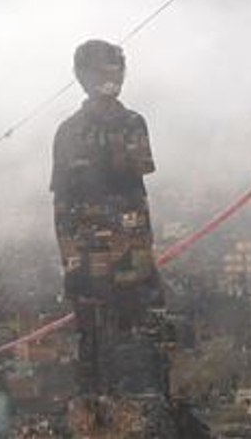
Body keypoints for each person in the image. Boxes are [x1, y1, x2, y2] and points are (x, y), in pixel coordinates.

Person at [51, 39, 171, 432]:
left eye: (117, 70)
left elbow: (133, 172)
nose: (112, 78)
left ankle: (126, 414)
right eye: (105, 70)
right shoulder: (75, 131)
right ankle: (105, 415)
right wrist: (70, 260)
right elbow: (64, 202)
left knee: (133, 344)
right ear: (83, 76)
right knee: (102, 347)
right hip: (101, 257)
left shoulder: (125, 123)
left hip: (119, 255)